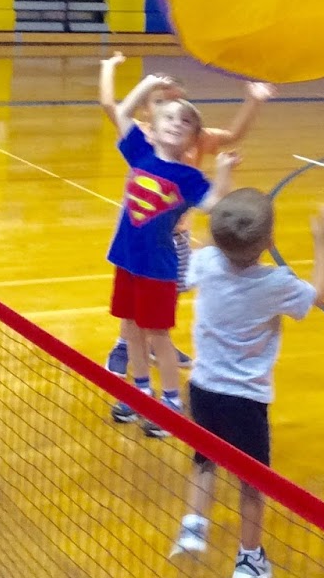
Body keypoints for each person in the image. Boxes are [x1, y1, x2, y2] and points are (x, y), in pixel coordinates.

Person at [170, 190, 324, 578]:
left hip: (203, 387)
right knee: (252, 481)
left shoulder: (207, 261)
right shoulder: (277, 283)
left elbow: (185, 275)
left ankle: (193, 526)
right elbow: (318, 297)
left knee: (204, 460)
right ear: (270, 242)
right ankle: (249, 558)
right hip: (246, 398)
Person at [97, 54, 275, 375]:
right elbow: (111, 105)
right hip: (141, 232)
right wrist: (110, 68)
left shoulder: (195, 137)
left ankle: (156, 340)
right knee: (133, 300)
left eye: (179, 102)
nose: (174, 110)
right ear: (148, 109)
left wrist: (254, 100)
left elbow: (233, 138)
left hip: (176, 234)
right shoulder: (143, 137)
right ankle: (126, 343)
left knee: (167, 293)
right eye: (163, 101)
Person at [106, 73, 236, 436]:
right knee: (131, 331)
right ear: (155, 125)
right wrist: (146, 85)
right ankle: (139, 392)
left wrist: (224, 174)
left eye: (187, 121)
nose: (177, 123)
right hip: (126, 263)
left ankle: (170, 404)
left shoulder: (189, 177)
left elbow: (214, 205)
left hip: (158, 270)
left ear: (195, 140)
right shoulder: (140, 152)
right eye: (170, 117)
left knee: (157, 337)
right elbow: (121, 111)